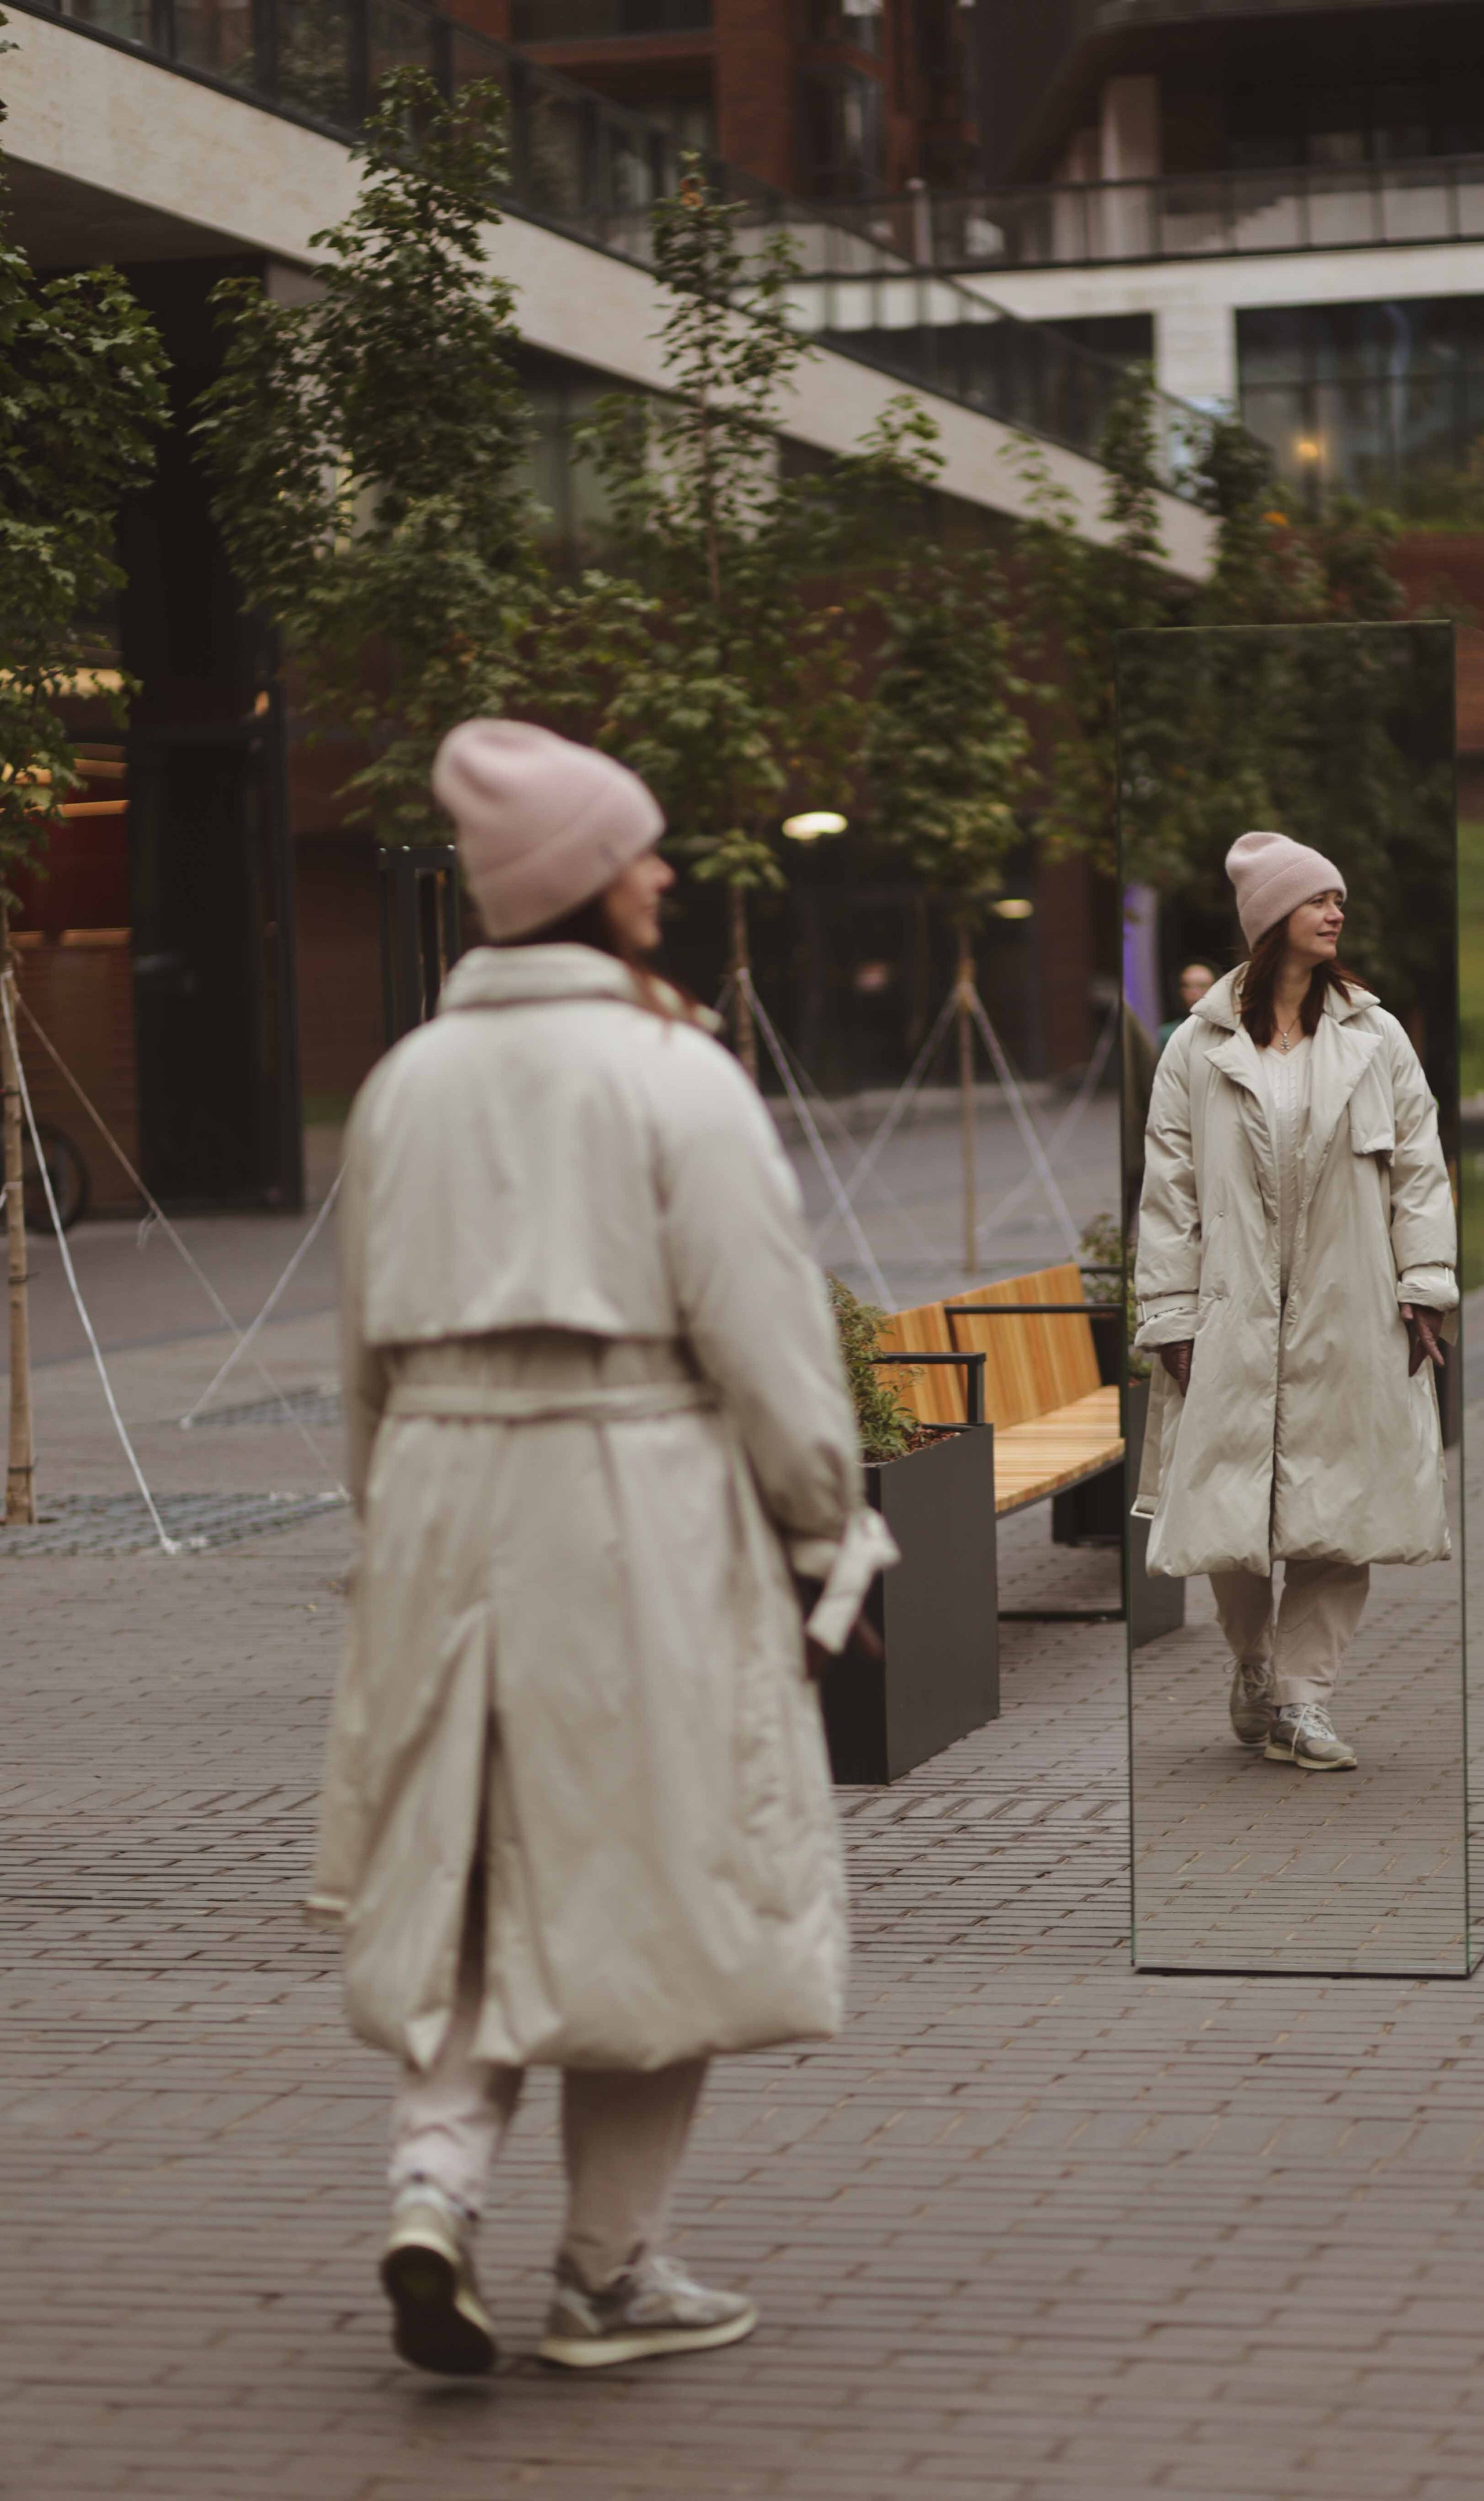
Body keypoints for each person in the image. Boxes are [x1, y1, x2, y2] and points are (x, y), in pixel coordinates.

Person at [309, 720, 895, 2379]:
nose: (658, 872)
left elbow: (358, 1356)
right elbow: (767, 1334)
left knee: (468, 1863)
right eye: (635, 850)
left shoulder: (402, 1081)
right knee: (650, 1881)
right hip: (626, 1499)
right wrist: (826, 1529)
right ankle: (606, 2268)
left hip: (439, 1495)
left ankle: (433, 2183)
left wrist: (392, 1529)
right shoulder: (668, 1072)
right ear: (579, 885)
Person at [1130, 830, 1457, 1773]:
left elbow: (1421, 1173)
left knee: (1339, 1510)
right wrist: (1171, 1315)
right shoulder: (1198, 1048)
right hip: (1232, 1312)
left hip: (1350, 1312)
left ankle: (1306, 1701)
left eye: (1338, 899)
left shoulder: (1375, 1037)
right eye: (1317, 899)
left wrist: (1424, 1288)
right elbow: (1171, 1190)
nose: (1335, 912)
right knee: (1236, 1516)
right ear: (1272, 919)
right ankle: (1254, 1662)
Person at [1157, 959, 1220, 1055]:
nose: (1193, 993)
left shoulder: (1228, 1031)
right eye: (1187, 986)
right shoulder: (1169, 1034)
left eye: (1202, 986)